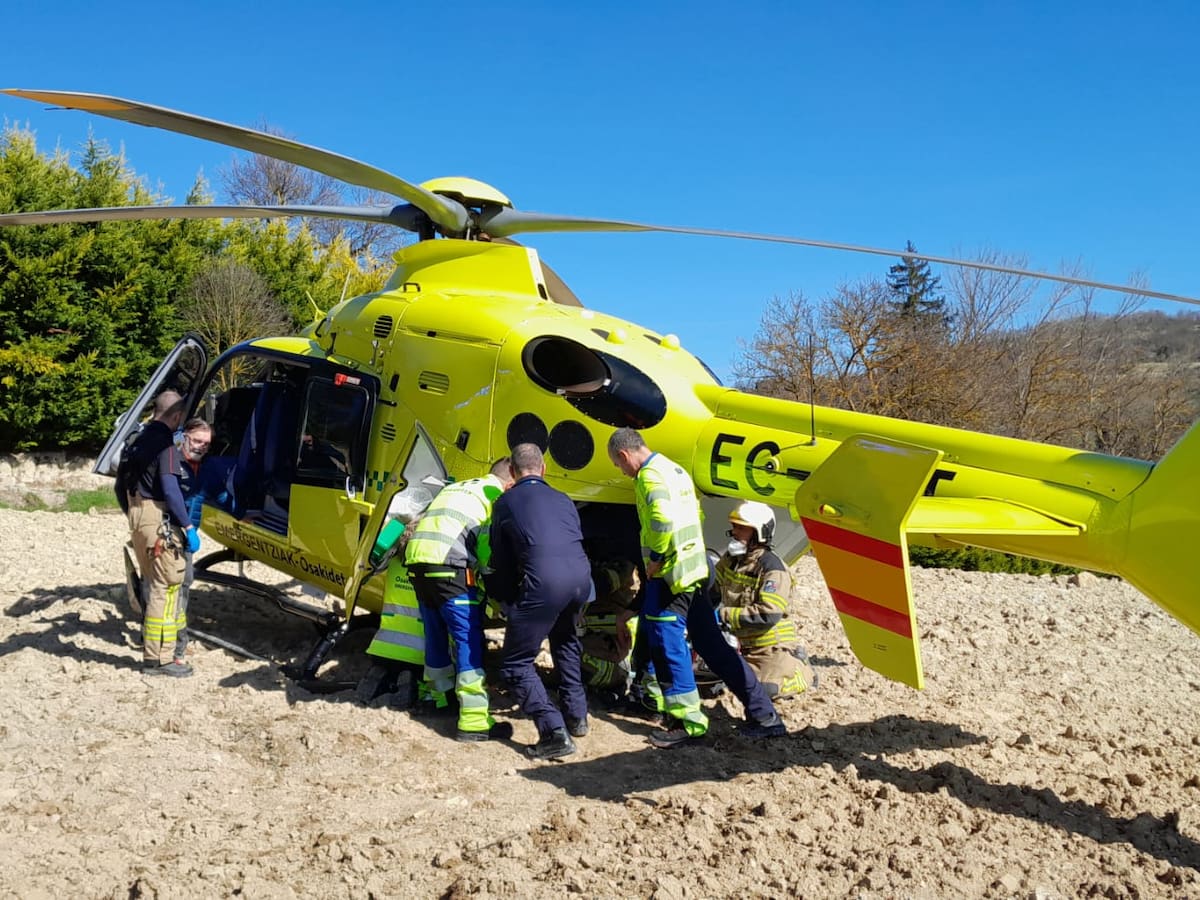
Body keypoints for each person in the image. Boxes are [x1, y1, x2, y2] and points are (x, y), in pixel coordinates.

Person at [607, 427, 786, 748]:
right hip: (696, 571)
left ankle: (686, 724)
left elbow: (661, 519)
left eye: (620, 465)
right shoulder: (675, 471)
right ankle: (764, 715)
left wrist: (656, 558)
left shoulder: (649, 477)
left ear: (624, 454)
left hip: (671, 577)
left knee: (668, 648)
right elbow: (696, 514)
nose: (622, 472)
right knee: (713, 646)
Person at [488, 443, 593, 760]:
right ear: (543, 468)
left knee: (515, 663)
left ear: (513, 472)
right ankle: (577, 717)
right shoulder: (564, 499)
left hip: (544, 583)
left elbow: (501, 560)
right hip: (580, 580)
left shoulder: (506, 502)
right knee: (565, 638)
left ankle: (553, 732)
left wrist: (506, 600)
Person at [404, 459, 515, 742]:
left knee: (435, 635)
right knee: (468, 641)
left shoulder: (459, 488)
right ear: (510, 482)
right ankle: (474, 721)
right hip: (450, 567)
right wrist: (497, 583)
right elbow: (486, 549)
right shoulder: (494, 496)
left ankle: (438, 699)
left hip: (417, 563)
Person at [123, 390, 201, 677]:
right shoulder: (166, 447)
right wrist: (188, 526)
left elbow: (121, 483)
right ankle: (159, 659)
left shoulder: (137, 440)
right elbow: (170, 490)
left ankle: (155, 653)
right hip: (157, 519)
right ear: (177, 416)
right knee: (166, 588)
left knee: (153, 583)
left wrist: (136, 517)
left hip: (137, 515)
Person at [713, 501, 816, 698]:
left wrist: (722, 615)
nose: (734, 532)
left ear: (759, 533)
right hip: (740, 644)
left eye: (741, 528)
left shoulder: (773, 569)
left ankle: (803, 673)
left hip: (768, 648)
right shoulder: (732, 560)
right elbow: (712, 588)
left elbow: (768, 614)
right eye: (734, 526)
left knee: (763, 690)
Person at [173, 417, 213, 665]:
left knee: (185, 583)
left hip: (188, 534)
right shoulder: (171, 463)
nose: (201, 447)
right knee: (170, 586)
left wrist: (241, 513)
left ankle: (177, 642)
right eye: (197, 441)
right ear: (184, 436)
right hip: (171, 533)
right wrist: (186, 528)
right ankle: (175, 647)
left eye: (206, 444)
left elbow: (213, 493)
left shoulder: (203, 468)